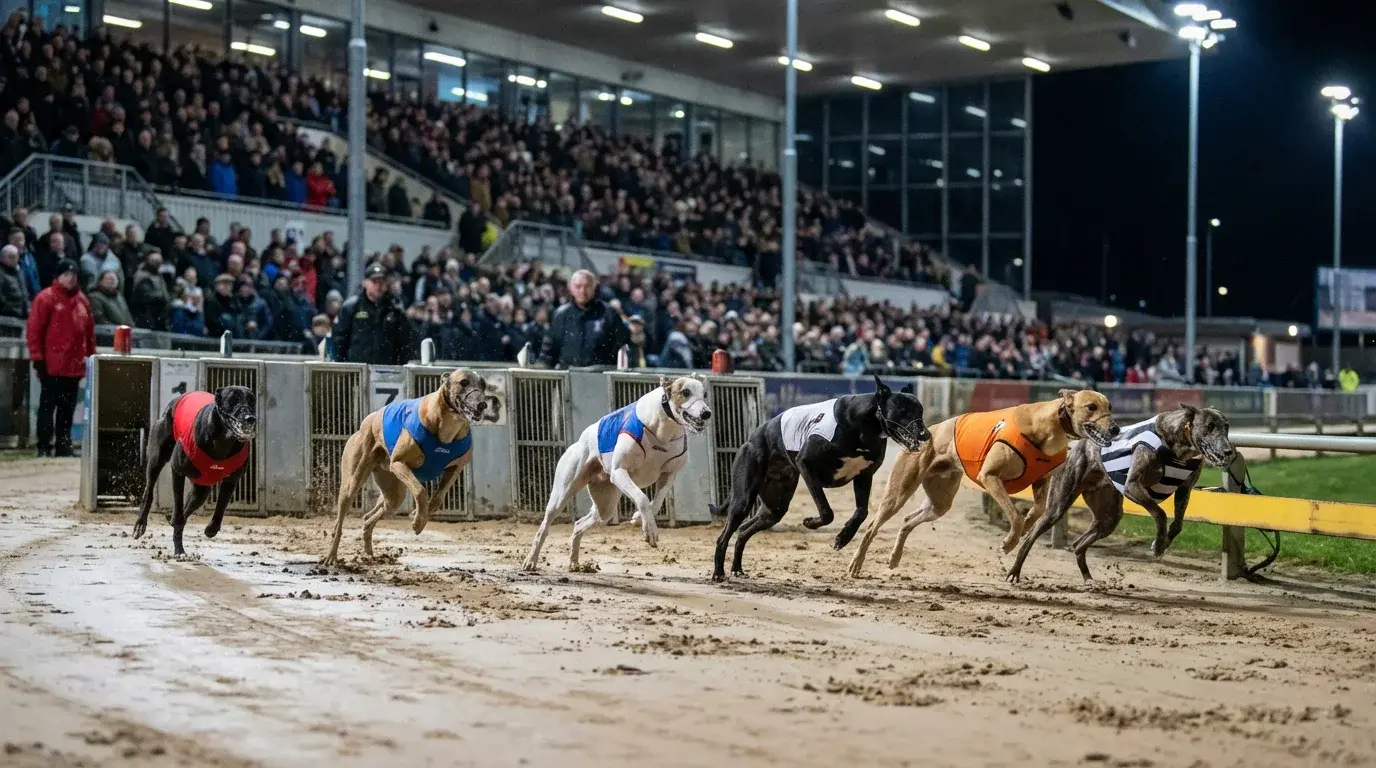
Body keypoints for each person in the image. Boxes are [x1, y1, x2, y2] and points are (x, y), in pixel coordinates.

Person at [26, 260, 95, 457]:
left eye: (73, 274)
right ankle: (44, 446)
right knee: (48, 407)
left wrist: (90, 357)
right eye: (66, 274)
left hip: (73, 366)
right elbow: (34, 331)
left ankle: (63, 446)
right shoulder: (46, 298)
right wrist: (38, 359)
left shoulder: (82, 300)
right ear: (58, 276)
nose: (71, 277)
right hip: (52, 365)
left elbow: (89, 334)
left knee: (67, 409)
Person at [537, 269, 630, 368]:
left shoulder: (609, 314)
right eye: (578, 286)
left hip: (600, 377)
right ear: (571, 288)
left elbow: (623, 347)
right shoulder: (560, 314)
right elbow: (548, 353)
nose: (582, 291)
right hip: (568, 376)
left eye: (587, 286)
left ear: (594, 287)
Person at [333, 262, 413, 365]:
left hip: (388, 371)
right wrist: (343, 367)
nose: (378, 286)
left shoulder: (395, 308)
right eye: (374, 282)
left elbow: (405, 341)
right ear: (366, 283)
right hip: (357, 371)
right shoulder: (352, 306)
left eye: (381, 282)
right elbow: (339, 339)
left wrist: (399, 366)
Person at [0, 244, 28, 318]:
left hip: (23, 313)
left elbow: (24, 292)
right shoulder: (1, 274)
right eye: (11, 257)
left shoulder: (19, 271)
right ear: (2, 258)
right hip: (8, 315)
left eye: (16, 257)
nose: (14, 260)